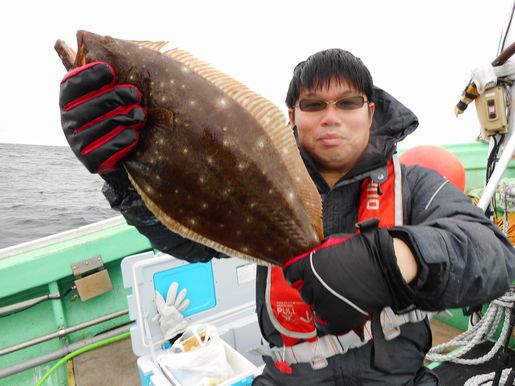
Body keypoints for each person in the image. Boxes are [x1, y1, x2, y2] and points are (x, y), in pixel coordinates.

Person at [59, 49, 515, 385]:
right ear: (292, 117)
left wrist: (393, 260)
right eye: (313, 105)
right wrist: (128, 177)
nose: (330, 118)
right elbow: (186, 239)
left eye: (348, 103)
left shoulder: (413, 185)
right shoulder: (254, 184)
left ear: (371, 112)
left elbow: (494, 258)